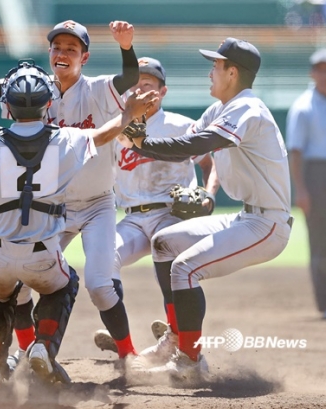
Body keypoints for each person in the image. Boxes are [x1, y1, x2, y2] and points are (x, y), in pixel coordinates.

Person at [0, 61, 158, 385]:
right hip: (42, 253)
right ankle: (43, 347)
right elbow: (103, 136)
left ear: (6, 105)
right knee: (64, 286)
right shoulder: (63, 140)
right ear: (49, 103)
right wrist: (128, 114)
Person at [118, 38, 293, 386]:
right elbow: (188, 146)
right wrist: (136, 124)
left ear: (232, 72)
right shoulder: (222, 109)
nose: (210, 71)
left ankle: (190, 362)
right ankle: (176, 338)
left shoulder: (248, 109)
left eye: (215, 65)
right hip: (247, 216)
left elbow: (196, 145)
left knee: (185, 269)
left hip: (268, 223)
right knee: (164, 242)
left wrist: (140, 141)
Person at [2, 20, 142, 367]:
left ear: (85, 57)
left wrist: (126, 47)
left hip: (97, 205)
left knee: (99, 285)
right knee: (20, 285)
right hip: (54, 207)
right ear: (49, 53)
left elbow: (128, 79)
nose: (62, 53)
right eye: (57, 47)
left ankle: (129, 356)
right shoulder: (36, 93)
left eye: (71, 48)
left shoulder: (97, 89)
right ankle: (25, 352)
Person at [92, 57, 219, 359]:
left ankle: (176, 336)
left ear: (163, 92)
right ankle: (127, 352)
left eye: (147, 85)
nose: (139, 90)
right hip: (132, 219)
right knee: (102, 263)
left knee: (171, 260)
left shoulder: (181, 125)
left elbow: (209, 164)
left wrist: (207, 193)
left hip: (171, 213)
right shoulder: (115, 130)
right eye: (134, 85)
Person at [286, 48, 326, 320]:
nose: (325, 75)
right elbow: (296, 151)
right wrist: (301, 190)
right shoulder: (303, 107)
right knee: (319, 243)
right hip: (316, 176)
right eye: (320, 69)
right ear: (312, 73)